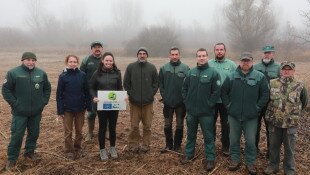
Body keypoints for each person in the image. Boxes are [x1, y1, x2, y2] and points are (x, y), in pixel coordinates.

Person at [221, 52, 269, 175]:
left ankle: (250, 162)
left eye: (248, 61)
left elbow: (265, 94)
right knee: (233, 139)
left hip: (251, 117)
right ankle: (235, 159)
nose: (245, 63)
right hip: (234, 115)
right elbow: (224, 93)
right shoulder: (231, 76)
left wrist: (257, 108)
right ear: (240, 62)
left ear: (252, 62)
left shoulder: (259, 76)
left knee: (251, 140)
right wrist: (228, 106)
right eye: (243, 61)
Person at [2, 52, 51, 171]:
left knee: (34, 133)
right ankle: (12, 158)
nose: (31, 62)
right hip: (20, 112)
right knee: (17, 135)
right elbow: (6, 90)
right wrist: (15, 104)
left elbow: (47, 89)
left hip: (36, 112)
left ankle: (29, 152)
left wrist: (43, 102)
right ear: (22, 60)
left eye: (33, 60)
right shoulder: (13, 73)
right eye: (28, 60)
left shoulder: (41, 73)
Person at [264, 61, 308, 175]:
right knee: (273, 147)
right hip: (274, 122)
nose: (286, 71)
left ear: (293, 71)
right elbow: (267, 100)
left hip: (290, 123)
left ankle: (289, 169)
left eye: (289, 69)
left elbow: (304, 102)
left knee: (289, 148)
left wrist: (292, 113)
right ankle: (273, 166)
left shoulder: (300, 85)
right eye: (284, 69)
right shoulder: (272, 83)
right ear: (280, 70)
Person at [180, 48, 221, 172]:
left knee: (208, 136)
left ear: (207, 57)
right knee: (191, 135)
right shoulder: (191, 72)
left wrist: (209, 104)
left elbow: (216, 92)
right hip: (192, 112)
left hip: (206, 113)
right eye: (199, 56)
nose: (201, 58)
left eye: (204, 55)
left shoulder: (213, 73)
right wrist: (187, 102)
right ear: (196, 57)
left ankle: (210, 159)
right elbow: (184, 89)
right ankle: (189, 154)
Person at [123, 47, 158, 153]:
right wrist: (131, 94)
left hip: (148, 103)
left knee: (147, 126)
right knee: (134, 126)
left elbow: (156, 83)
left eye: (144, 53)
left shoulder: (152, 68)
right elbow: (126, 83)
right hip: (134, 103)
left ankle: (146, 145)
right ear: (137, 55)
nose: (142, 55)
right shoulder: (131, 67)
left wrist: (150, 94)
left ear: (147, 55)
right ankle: (133, 145)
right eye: (140, 53)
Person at [56, 55, 92, 160]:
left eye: (75, 62)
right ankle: (69, 151)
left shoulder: (82, 75)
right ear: (67, 62)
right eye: (71, 61)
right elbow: (59, 95)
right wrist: (60, 110)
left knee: (79, 130)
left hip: (80, 108)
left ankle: (78, 148)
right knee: (68, 131)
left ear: (78, 63)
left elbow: (87, 91)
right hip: (67, 109)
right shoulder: (63, 76)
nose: (73, 63)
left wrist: (89, 106)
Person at [89, 52, 123, 161]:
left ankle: (112, 148)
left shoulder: (117, 73)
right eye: (107, 60)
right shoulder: (97, 73)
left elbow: (119, 88)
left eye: (110, 60)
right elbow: (91, 88)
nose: (108, 62)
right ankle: (102, 149)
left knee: (113, 127)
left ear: (113, 62)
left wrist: (123, 97)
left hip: (114, 105)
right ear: (103, 61)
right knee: (102, 128)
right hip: (102, 105)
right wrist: (94, 97)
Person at [159, 47, 190, 153]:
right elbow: (161, 84)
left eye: (176, 54)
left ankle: (177, 145)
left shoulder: (186, 68)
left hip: (181, 103)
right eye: (172, 54)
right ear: (169, 55)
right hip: (167, 103)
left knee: (180, 125)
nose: (174, 56)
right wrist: (164, 96)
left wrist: (184, 98)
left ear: (179, 55)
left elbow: (188, 85)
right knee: (167, 124)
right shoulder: (164, 68)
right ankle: (168, 145)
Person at [208, 43, 237, 156]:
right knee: (211, 124)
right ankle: (211, 145)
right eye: (217, 49)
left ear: (225, 51)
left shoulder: (231, 65)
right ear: (214, 51)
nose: (219, 51)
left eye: (221, 49)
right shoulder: (209, 64)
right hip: (212, 101)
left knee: (226, 125)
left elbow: (236, 81)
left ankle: (226, 146)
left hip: (226, 101)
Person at [253, 45, 280, 158]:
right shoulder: (255, 67)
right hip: (257, 102)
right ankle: (253, 149)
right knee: (255, 127)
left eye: (269, 52)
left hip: (271, 103)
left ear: (273, 54)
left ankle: (271, 152)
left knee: (271, 129)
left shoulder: (278, 67)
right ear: (262, 54)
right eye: (265, 52)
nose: (267, 54)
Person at [80, 41, 105, 141]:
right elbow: (81, 75)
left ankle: (106, 131)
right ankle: (90, 132)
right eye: (95, 47)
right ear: (92, 49)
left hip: (104, 90)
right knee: (91, 113)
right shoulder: (86, 60)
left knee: (105, 112)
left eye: (99, 47)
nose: (97, 49)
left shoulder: (106, 59)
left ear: (102, 49)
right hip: (91, 91)